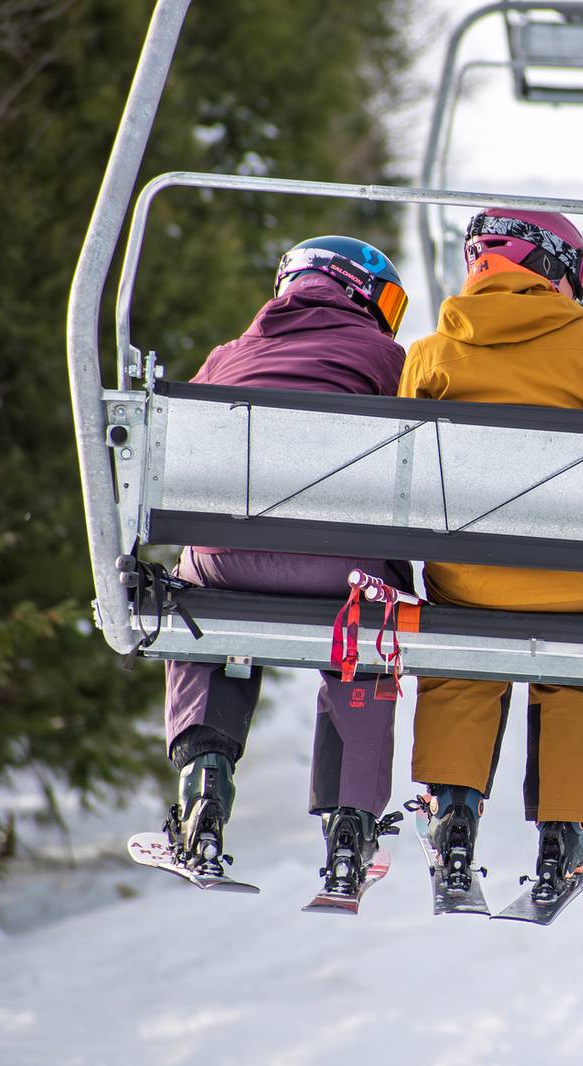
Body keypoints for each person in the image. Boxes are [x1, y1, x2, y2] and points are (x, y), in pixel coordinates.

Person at [399, 209, 583, 903]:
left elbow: (397, 471)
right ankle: (567, 835)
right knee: (580, 670)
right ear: (558, 269)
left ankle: (453, 815)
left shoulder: (430, 354)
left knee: (462, 651)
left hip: (471, 580)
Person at [160, 235, 413, 898]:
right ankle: (350, 824)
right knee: (365, 626)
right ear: (361, 293)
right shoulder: (384, 356)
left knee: (196, 610)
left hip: (228, 562)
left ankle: (203, 784)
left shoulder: (229, 356)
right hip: (343, 569)